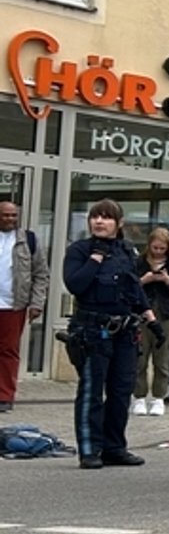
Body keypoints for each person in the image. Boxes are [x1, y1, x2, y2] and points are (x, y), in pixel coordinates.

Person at [61, 200, 154, 469]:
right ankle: (90, 449)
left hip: (124, 331)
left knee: (121, 390)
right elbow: (76, 284)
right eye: (95, 217)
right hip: (92, 330)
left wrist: (150, 318)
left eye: (106, 217)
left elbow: (134, 289)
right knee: (92, 392)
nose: (99, 221)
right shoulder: (79, 250)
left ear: (119, 223)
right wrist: (96, 257)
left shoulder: (126, 251)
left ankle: (114, 447)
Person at [132, 227, 169, 416]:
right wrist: (144, 280)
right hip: (142, 314)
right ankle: (139, 397)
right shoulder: (139, 262)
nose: (157, 252)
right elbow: (129, 287)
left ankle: (158, 397)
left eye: (161, 249)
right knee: (139, 358)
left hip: (166, 315)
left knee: (162, 359)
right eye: (155, 248)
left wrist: (168, 280)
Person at [0, 201, 50, 414]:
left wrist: (37, 303)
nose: (10, 219)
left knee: (8, 351)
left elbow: (41, 274)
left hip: (13, 304)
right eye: (5, 215)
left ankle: (4, 396)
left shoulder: (28, 240)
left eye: (13, 215)